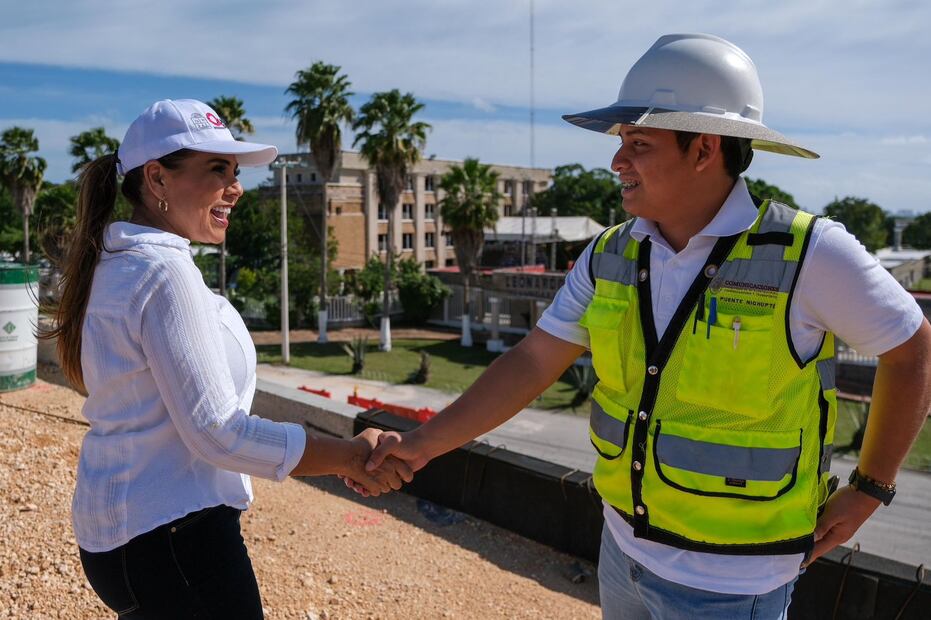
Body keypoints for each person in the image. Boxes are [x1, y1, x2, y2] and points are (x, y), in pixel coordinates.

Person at [361, 34, 931, 618]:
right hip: (622, 550)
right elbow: (532, 363)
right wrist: (422, 445)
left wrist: (870, 489)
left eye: (638, 143)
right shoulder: (611, 254)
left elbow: (913, 351)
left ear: (705, 149)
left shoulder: (811, 254)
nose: (616, 162)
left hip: (734, 583)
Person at [45, 99, 411, 619]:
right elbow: (220, 432)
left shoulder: (118, 261)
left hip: (126, 536)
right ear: (158, 180)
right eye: (217, 170)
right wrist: (350, 456)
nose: (235, 188)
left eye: (235, 173)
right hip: (173, 536)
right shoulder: (162, 273)